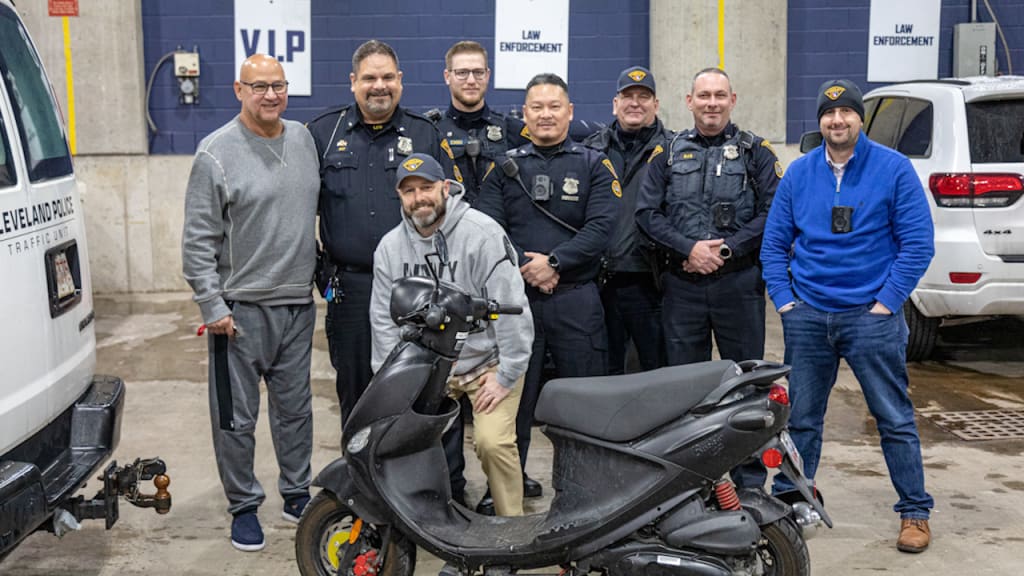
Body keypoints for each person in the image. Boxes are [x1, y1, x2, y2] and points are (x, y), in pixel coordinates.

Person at [761, 79, 935, 553]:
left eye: (846, 113)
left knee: (893, 417)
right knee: (801, 421)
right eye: (828, 114)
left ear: (861, 119)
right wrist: (787, 304)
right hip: (809, 317)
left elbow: (918, 245)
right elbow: (774, 245)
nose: (837, 121)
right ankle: (792, 506)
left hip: (870, 318)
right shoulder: (799, 174)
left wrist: (886, 303)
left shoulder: (894, 170)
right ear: (819, 121)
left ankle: (915, 512)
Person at [182, 54, 319, 552]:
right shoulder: (215, 153)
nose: (270, 95)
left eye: (278, 85)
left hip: (297, 305)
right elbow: (198, 241)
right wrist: (211, 305)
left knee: (295, 410)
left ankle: (296, 492)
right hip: (238, 312)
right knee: (236, 418)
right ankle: (243, 506)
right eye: (259, 86)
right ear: (238, 89)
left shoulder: (303, 140)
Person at [477, 73, 619, 503]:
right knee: (514, 402)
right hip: (517, 303)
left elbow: (602, 226)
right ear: (525, 114)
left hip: (577, 299)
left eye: (554, 106)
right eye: (536, 106)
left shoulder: (595, 164)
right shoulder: (502, 168)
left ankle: (582, 493)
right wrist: (529, 266)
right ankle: (505, 492)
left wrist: (556, 262)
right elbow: (489, 229)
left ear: (570, 112)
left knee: (583, 403)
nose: (545, 114)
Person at [370, 153, 533, 517]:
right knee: (417, 447)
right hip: (429, 368)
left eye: (426, 187)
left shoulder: (483, 233)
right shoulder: (390, 248)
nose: (419, 198)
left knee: (492, 443)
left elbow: (513, 308)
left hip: (486, 363)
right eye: (408, 190)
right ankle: (441, 522)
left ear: (446, 187)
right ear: (399, 196)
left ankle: (511, 530)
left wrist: (506, 375)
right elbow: (383, 323)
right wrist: (393, 385)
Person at [307, 40, 456, 428]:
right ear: (353, 82)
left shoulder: (425, 134)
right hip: (348, 287)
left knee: (425, 385)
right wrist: (319, 272)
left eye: (388, 77)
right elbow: (296, 208)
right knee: (355, 388)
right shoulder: (323, 133)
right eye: (370, 78)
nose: (379, 86)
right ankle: (360, 481)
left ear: (400, 81)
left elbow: (453, 204)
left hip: (416, 284)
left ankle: (434, 482)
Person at [636, 67, 781, 370]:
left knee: (746, 376)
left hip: (739, 284)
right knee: (685, 380)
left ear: (733, 100)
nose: (711, 103)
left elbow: (774, 213)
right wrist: (689, 249)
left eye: (719, 95)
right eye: (704, 95)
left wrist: (727, 249)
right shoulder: (668, 152)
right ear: (690, 101)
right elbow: (647, 214)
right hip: (682, 284)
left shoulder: (756, 152)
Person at [583, 66, 672, 375]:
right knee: (605, 368)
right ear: (614, 103)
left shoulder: (673, 151)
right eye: (628, 96)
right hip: (600, 282)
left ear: (656, 105)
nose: (635, 103)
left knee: (654, 368)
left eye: (644, 97)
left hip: (652, 282)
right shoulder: (592, 150)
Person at [428, 41, 531, 204]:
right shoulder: (431, 131)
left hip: (498, 224)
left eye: (478, 72)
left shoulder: (512, 129)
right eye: (462, 72)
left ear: (487, 75)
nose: (471, 80)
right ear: (447, 77)